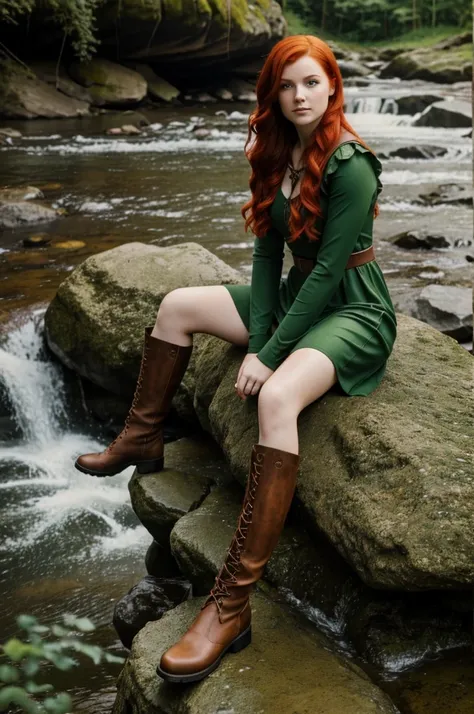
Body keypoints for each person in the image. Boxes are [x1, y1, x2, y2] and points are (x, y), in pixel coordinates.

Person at [75, 34, 397, 683]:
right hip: (294, 291)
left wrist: (270, 351)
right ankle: (142, 437)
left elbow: (332, 271)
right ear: (273, 93)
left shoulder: (352, 162)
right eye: (287, 85)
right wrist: (262, 321)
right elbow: (266, 253)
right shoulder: (276, 149)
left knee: (276, 397)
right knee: (176, 307)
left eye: (311, 83)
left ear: (332, 87)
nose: (300, 95)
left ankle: (231, 605)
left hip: (351, 306)